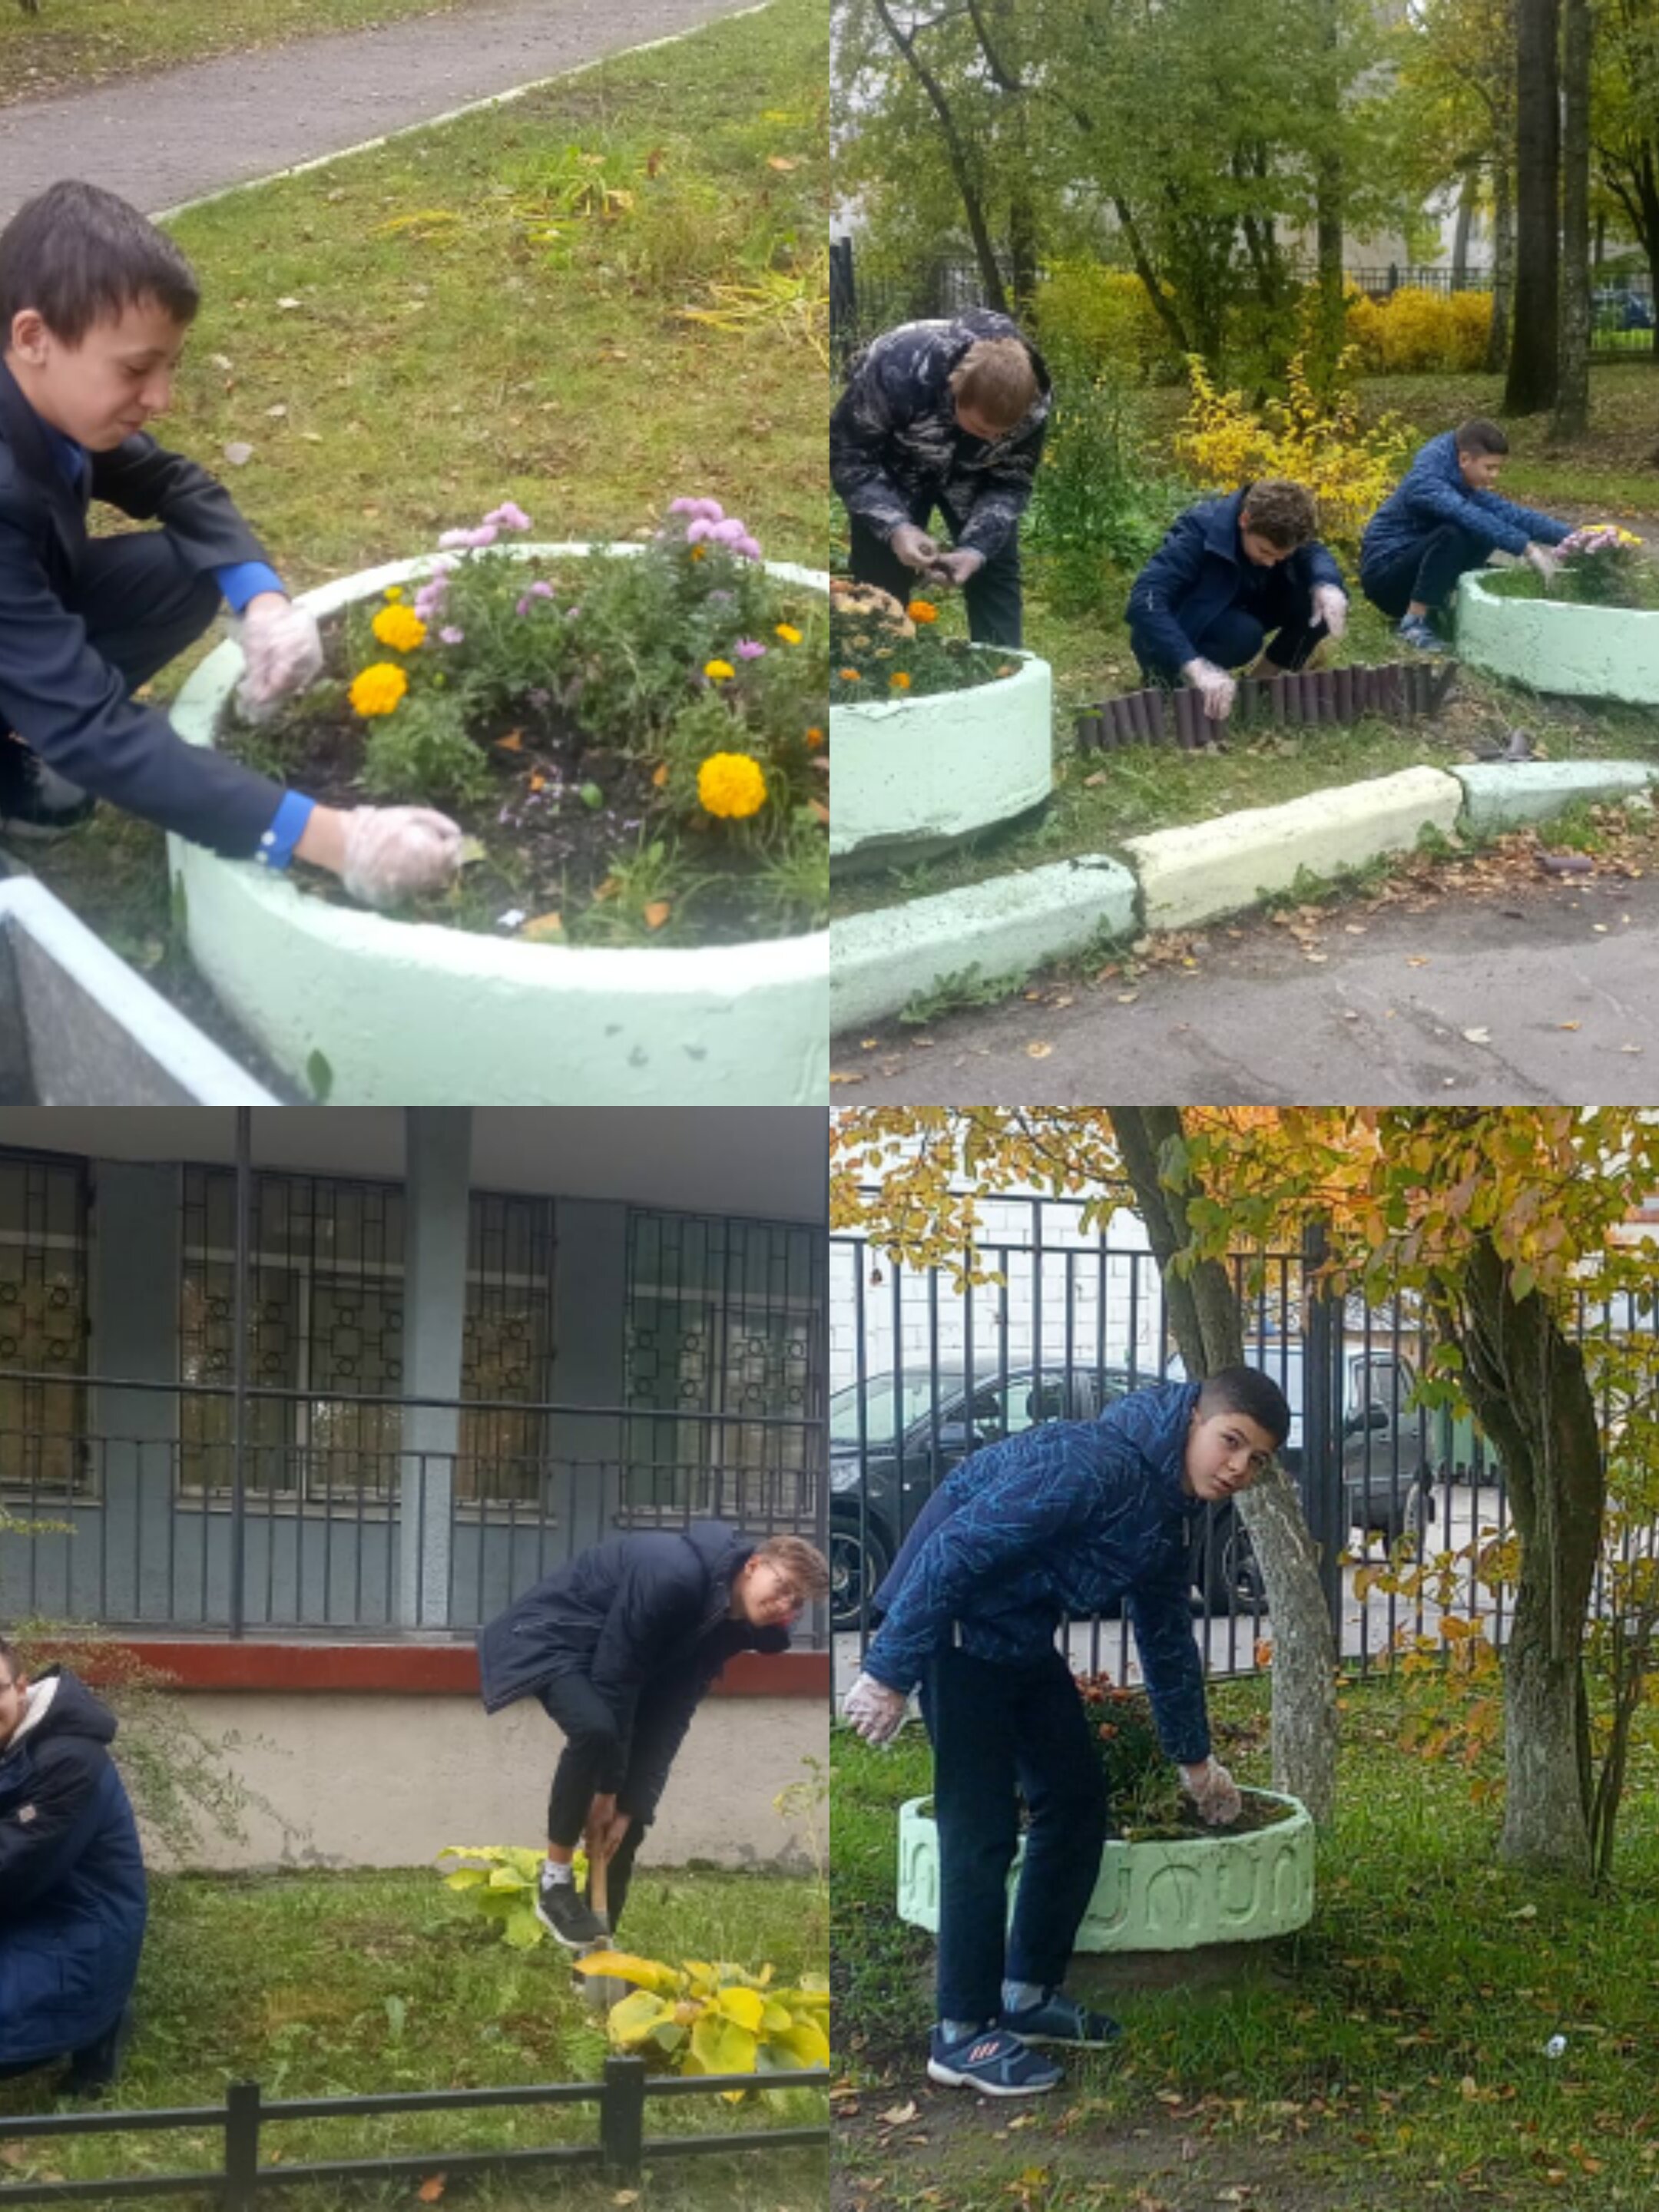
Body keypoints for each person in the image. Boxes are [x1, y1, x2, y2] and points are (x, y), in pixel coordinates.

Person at [0, 180, 462, 908]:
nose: (162, 400)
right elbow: (92, 724)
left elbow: (178, 486)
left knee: (185, 567)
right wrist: (335, 839)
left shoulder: (39, 397)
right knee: (78, 724)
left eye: (170, 367)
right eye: (135, 369)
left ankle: (28, 716)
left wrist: (265, 601)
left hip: (18, 604)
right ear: (33, 337)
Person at [842, 1367, 1292, 2099]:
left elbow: (1166, 1636)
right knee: (979, 1829)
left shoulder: (1164, 1506)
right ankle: (961, 2035)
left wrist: (1196, 1762)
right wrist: (890, 1669)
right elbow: (954, 1549)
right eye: (1231, 1442)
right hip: (957, 1635)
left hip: (1016, 1639)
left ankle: (1026, 1995)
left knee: (1075, 1802)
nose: (1239, 1467)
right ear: (1193, 1421)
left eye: (1258, 1460)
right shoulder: (1092, 1465)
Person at [477, 1525, 830, 1947]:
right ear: (753, 1566)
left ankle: (596, 1957)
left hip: (617, 1661)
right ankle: (554, 1884)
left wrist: (629, 1804)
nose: (786, 1605)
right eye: (784, 1586)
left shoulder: (732, 1624)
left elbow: (671, 1711)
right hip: (552, 1637)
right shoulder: (673, 1576)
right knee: (595, 1729)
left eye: (798, 1601)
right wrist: (606, 1790)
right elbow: (616, 1678)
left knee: (629, 1820)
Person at [830, 309, 1051, 647]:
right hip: (894, 465)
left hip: (977, 475)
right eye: (981, 429)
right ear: (955, 389)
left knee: (993, 567)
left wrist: (976, 550)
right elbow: (849, 456)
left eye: (1001, 435)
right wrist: (896, 528)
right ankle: (874, 677)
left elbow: (1011, 480)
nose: (992, 440)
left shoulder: (1035, 404)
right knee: (880, 579)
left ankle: (1002, 679)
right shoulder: (898, 367)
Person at [0, 1639, 147, 2093]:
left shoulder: (70, 1760)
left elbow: (12, 1867)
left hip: (78, 1932)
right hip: (29, 1915)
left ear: (21, 1688)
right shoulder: (15, 1742)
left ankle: (102, 2028)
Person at [1126, 479, 1350, 724]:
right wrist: (1194, 665)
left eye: (1281, 556)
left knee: (1325, 601)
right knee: (1243, 635)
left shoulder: (1283, 535)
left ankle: (1259, 684)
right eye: (1264, 551)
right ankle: (1176, 684)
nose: (1270, 563)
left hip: (1241, 606)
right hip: (1186, 628)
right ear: (1245, 520)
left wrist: (1327, 585)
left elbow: (1314, 552)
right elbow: (1145, 598)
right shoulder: (1199, 529)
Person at [1359, 418, 1571, 654]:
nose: (1495, 476)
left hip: (1416, 571)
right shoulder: (1427, 482)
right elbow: (1467, 515)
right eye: (1490, 468)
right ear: (1464, 460)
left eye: (1498, 468)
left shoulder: (1458, 475)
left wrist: (1575, 538)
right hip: (1387, 581)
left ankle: (1443, 609)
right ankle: (1414, 624)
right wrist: (1528, 549)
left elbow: (1510, 514)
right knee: (1457, 532)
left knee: (1485, 530)